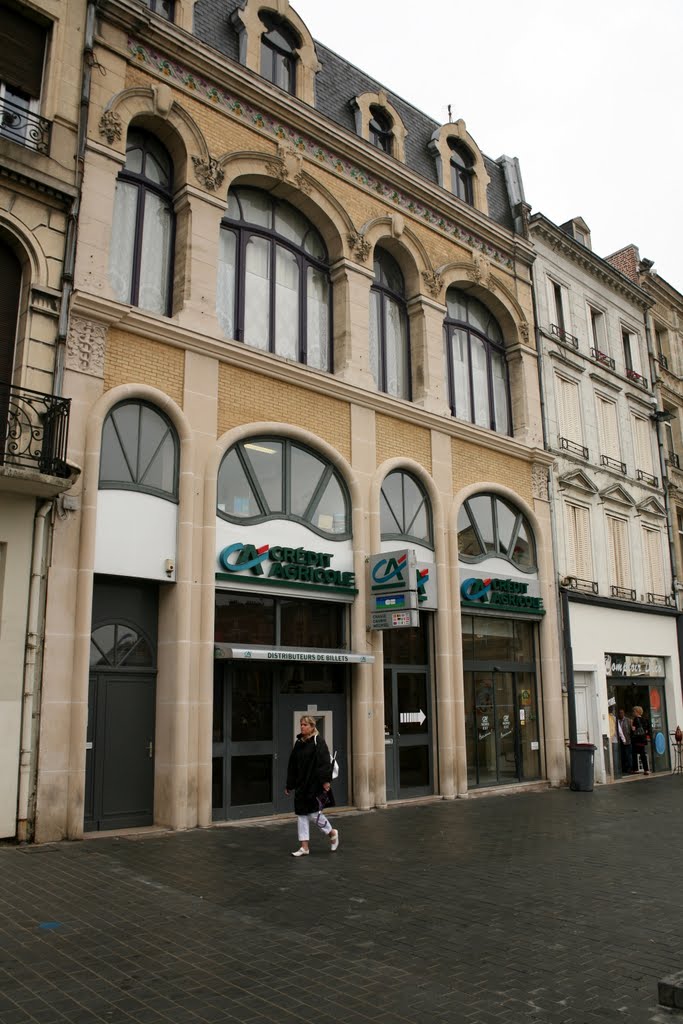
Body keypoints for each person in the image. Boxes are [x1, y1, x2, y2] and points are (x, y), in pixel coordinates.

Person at [285, 715, 340, 857]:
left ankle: (332, 832)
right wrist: (289, 785)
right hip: (301, 785)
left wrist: (326, 782)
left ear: (312, 727)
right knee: (301, 815)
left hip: (314, 784)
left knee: (314, 814)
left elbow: (324, 763)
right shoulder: (298, 743)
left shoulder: (318, 742)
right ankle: (304, 847)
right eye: (301, 724)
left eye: (305, 725)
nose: (302, 727)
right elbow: (292, 765)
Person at [631, 706, 650, 775]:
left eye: (633, 711)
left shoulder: (635, 719)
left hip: (637, 740)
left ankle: (635, 769)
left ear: (636, 712)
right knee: (643, 754)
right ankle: (646, 769)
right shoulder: (644, 719)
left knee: (634, 754)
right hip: (643, 739)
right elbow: (647, 730)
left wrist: (632, 726)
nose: (633, 713)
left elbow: (633, 729)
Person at [616, 708, 633, 774]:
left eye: (622, 712)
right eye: (619, 713)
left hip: (627, 740)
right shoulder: (617, 721)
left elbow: (631, 730)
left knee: (628, 755)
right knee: (622, 755)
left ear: (624, 713)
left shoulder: (628, 720)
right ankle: (623, 768)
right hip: (620, 741)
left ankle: (629, 768)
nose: (620, 714)